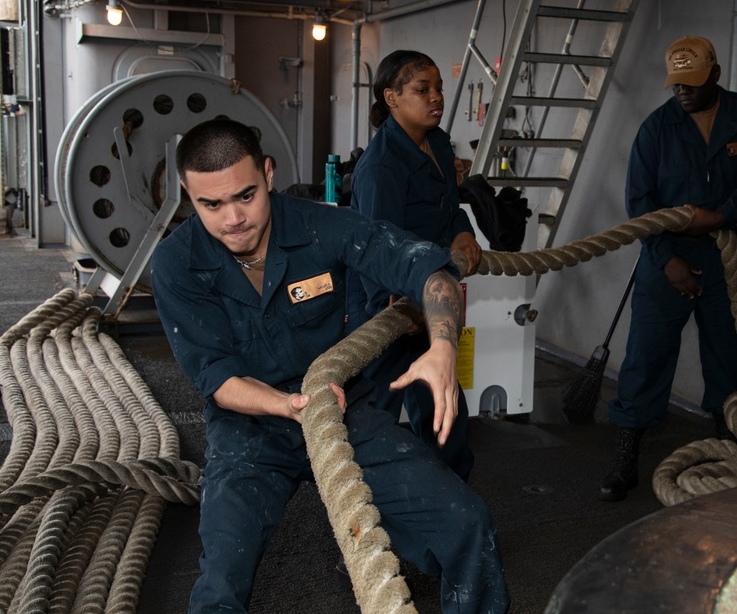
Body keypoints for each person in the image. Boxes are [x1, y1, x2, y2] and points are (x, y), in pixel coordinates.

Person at [150, 118, 509, 613]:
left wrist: (443, 347)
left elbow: (430, 270)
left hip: (346, 412)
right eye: (210, 204)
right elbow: (215, 376)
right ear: (187, 195)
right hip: (250, 428)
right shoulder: (174, 263)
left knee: (468, 523)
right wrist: (289, 404)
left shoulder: (323, 225)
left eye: (246, 196)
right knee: (219, 585)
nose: (232, 217)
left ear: (269, 174)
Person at [599, 36, 737, 502]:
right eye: (676, 84)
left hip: (726, 255)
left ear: (715, 76)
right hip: (668, 257)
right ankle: (624, 459)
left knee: (732, 355)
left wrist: (722, 216)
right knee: (646, 355)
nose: (682, 92)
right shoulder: (656, 130)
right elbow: (640, 202)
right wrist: (667, 260)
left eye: (693, 84)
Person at [348, 50, 481, 481]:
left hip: (428, 304)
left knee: (445, 412)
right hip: (388, 313)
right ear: (392, 97)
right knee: (375, 421)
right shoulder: (381, 167)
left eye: (438, 87)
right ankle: (369, 512)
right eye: (422, 90)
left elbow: (447, 209)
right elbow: (375, 250)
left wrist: (463, 231)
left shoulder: (438, 143)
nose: (436, 97)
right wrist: (398, 309)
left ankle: (449, 497)